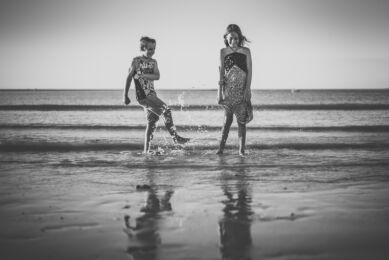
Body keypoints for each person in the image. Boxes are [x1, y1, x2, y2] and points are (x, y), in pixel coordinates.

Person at [124, 36, 190, 153]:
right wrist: (125, 95)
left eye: (154, 49)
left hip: (151, 94)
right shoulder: (136, 61)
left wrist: (144, 76)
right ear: (142, 48)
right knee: (166, 109)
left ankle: (146, 151)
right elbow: (129, 78)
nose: (152, 51)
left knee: (152, 123)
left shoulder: (154, 62)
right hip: (143, 95)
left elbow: (157, 76)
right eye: (149, 49)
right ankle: (176, 138)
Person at [217, 24, 253, 156]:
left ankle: (241, 151)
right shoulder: (223, 52)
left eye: (236, 38)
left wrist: (247, 89)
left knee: (241, 121)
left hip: (242, 89)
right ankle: (220, 149)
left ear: (240, 38)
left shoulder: (246, 52)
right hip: (228, 91)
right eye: (231, 38)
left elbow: (250, 71)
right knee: (227, 121)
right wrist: (220, 91)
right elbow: (221, 73)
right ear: (226, 38)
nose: (234, 41)